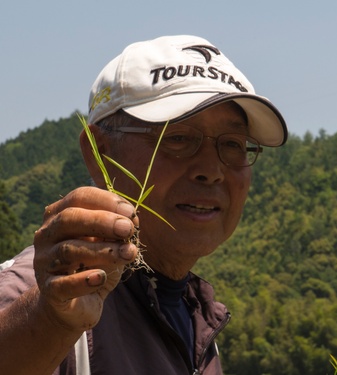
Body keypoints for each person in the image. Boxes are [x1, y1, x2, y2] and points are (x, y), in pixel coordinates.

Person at [0, 35, 287, 375]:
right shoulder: (44, 294)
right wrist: (49, 319)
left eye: (234, 143)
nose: (211, 171)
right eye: (177, 138)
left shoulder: (196, 316)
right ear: (100, 154)